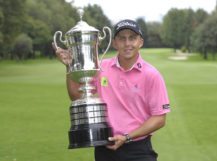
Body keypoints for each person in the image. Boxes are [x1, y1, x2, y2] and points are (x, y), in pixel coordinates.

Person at [54, 19, 170, 161]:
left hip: (138, 150)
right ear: (114, 43)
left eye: (132, 38)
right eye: (122, 39)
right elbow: (77, 97)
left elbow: (159, 118)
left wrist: (126, 137)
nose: (127, 43)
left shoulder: (151, 75)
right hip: (104, 148)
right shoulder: (102, 67)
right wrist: (69, 66)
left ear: (141, 42)